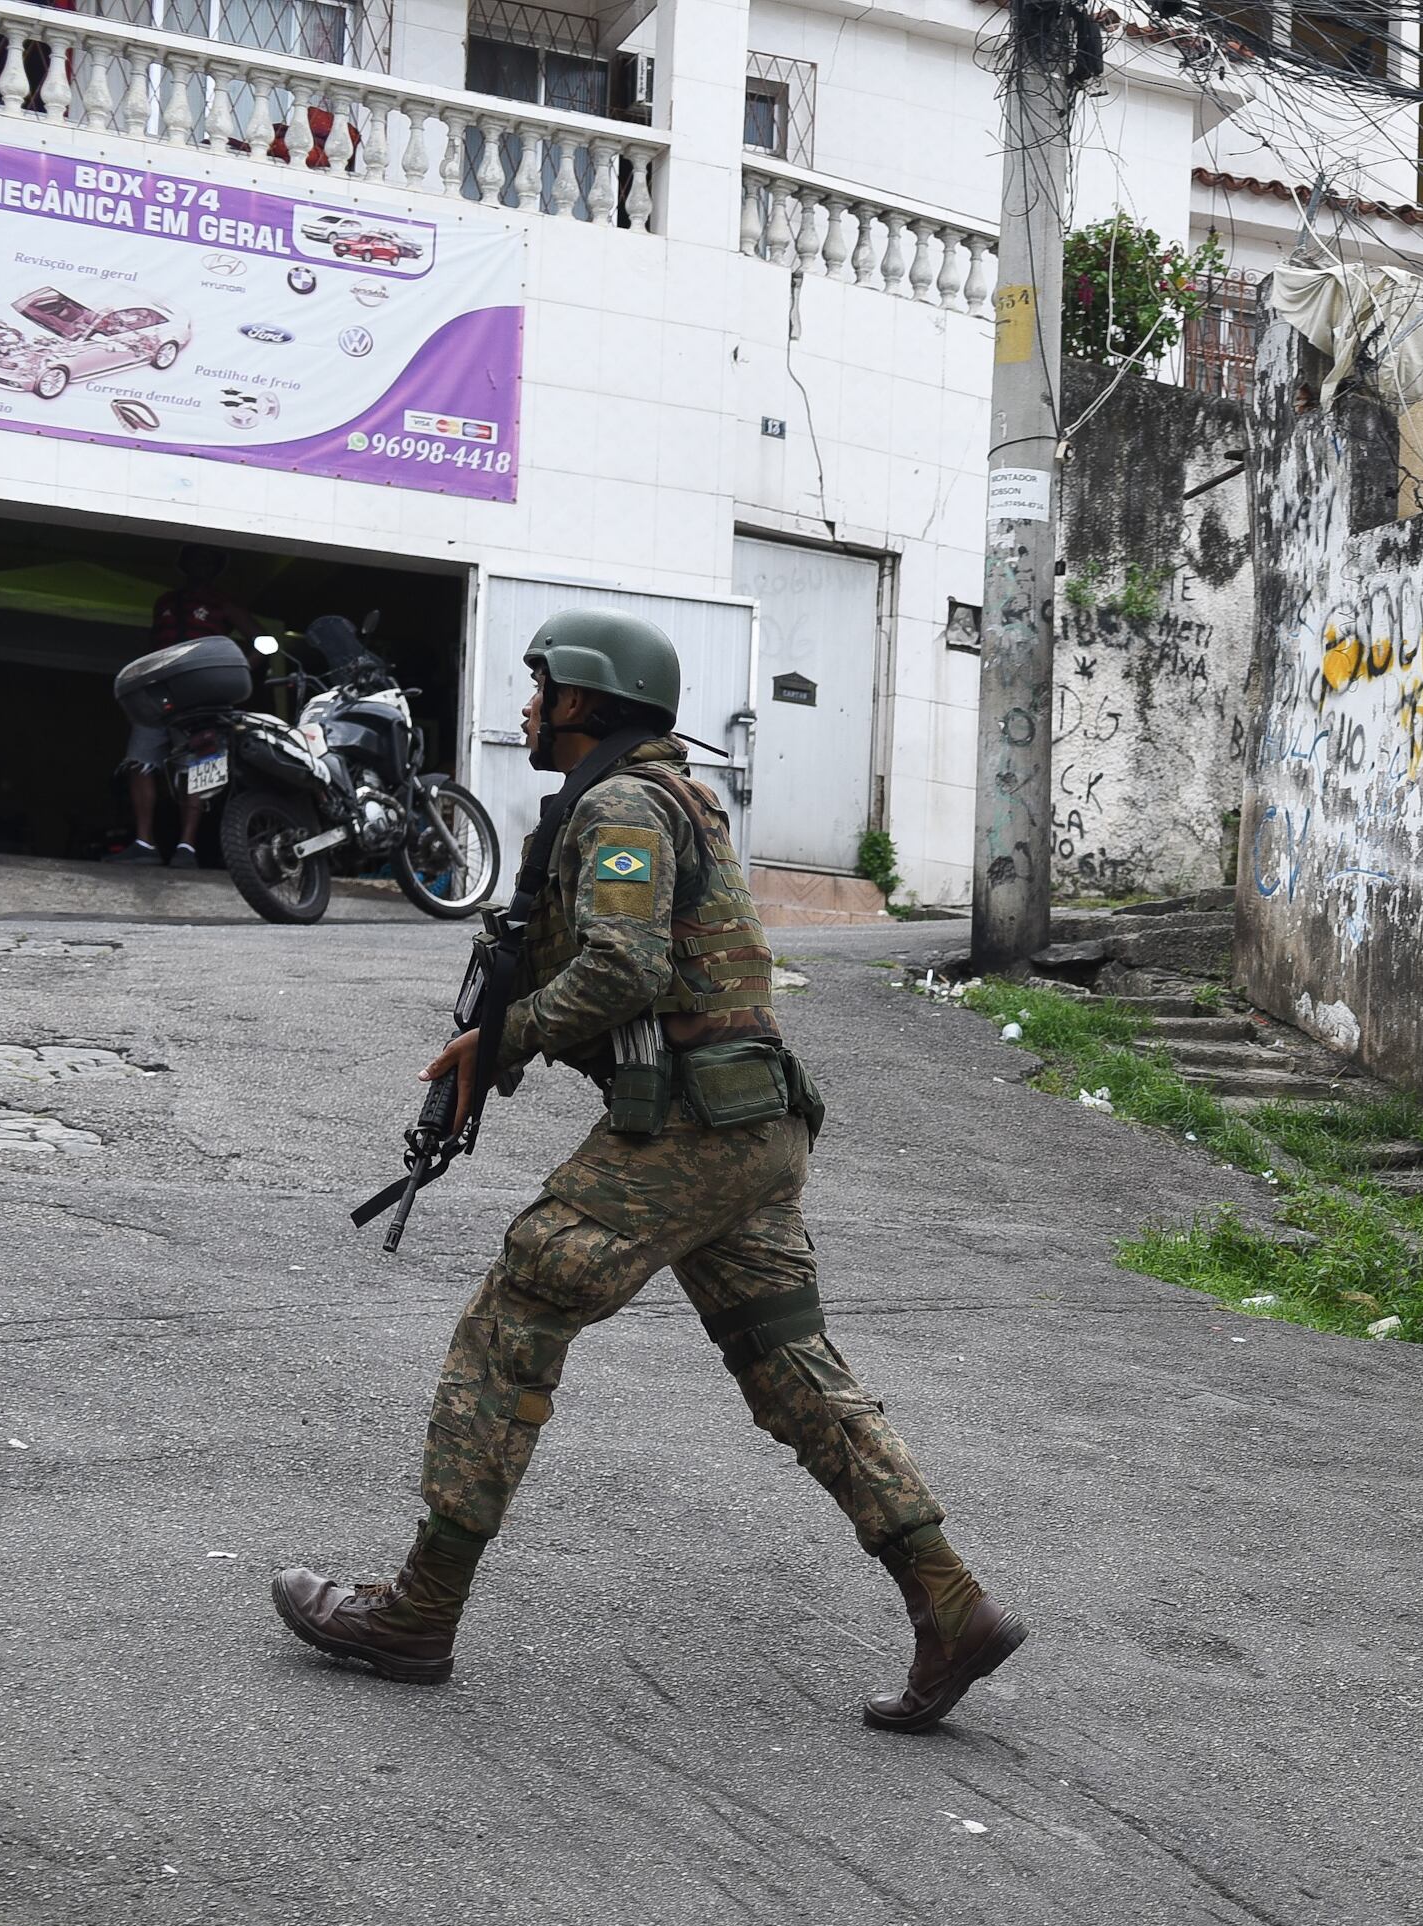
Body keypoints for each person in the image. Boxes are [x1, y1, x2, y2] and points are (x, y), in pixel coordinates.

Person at [272, 606, 1025, 1730]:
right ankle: (950, 1603)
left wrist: (506, 1034)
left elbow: (623, 967)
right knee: (789, 1365)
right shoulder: (668, 795)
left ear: (584, 699)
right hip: (751, 1129)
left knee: (513, 1316)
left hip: (689, 1129)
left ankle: (418, 1613)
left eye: (541, 687)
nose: (527, 705)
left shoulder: (622, 804)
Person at [119, 547, 258, 864]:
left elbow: (262, 642)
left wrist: (234, 675)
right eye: (196, 559)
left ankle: (187, 846)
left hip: (202, 693)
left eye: (209, 561)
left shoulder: (224, 603)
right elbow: (153, 644)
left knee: (199, 765)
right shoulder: (165, 602)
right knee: (139, 760)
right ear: (184, 565)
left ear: (216, 569)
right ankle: (144, 843)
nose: (202, 565)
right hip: (159, 688)